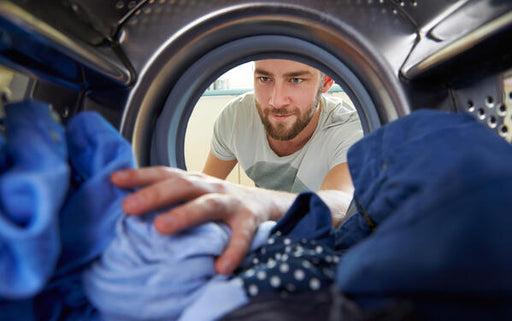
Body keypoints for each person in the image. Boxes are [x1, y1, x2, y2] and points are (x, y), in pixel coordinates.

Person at [110, 59, 363, 276]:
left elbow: (342, 203)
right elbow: (207, 186)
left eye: (296, 80)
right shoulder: (235, 117)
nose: (276, 101)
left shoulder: (348, 129)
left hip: (319, 245)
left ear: (326, 82)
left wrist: (260, 201)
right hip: (262, 235)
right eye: (264, 78)